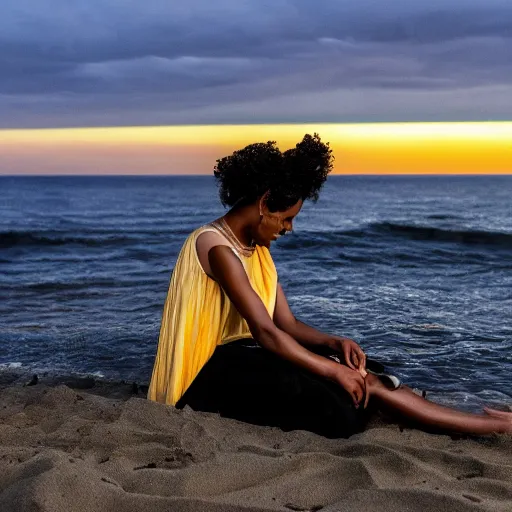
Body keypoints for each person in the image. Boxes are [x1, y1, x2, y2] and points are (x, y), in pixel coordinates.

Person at [148, 134, 512, 438]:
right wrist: (333, 368)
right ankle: (488, 427)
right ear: (263, 204)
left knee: (364, 373)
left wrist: (334, 343)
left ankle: (481, 421)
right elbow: (266, 332)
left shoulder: (255, 250)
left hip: (241, 357)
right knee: (346, 388)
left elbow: (286, 325)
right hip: (205, 376)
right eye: (287, 218)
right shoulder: (216, 247)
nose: (289, 228)